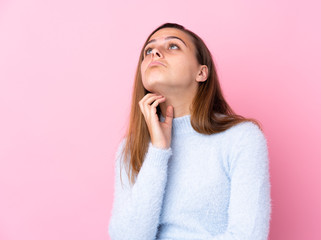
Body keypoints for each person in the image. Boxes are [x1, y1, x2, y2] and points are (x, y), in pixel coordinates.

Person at [108, 22, 272, 240]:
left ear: (201, 72)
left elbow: (247, 235)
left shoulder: (241, 138)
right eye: (148, 50)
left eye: (173, 46)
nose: (155, 52)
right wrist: (158, 151)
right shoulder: (131, 148)